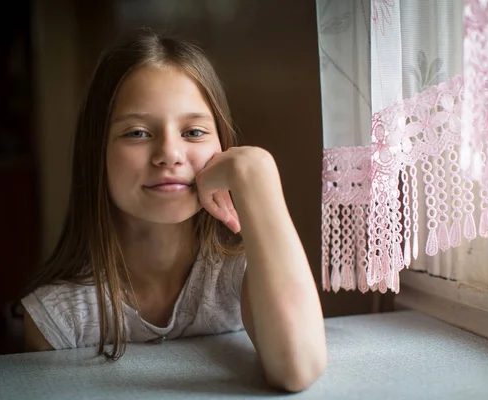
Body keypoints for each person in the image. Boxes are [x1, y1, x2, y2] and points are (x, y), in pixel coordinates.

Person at [19, 27, 327, 392]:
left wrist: (256, 173)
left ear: (223, 146)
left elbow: (298, 370)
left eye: (193, 132)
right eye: (137, 133)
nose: (169, 154)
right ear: (96, 152)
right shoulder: (59, 316)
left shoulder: (243, 276)